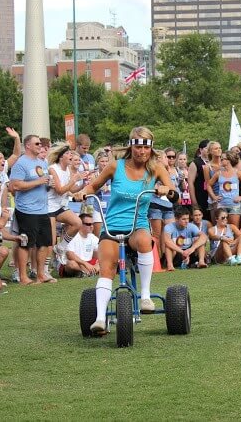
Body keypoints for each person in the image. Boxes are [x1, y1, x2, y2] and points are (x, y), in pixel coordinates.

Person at [75, 127, 178, 335]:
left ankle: (146, 296)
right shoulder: (116, 166)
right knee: (106, 266)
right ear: (131, 146)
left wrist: (167, 190)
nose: (142, 152)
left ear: (151, 148)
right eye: (138, 147)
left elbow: (174, 193)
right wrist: (83, 192)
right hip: (111, 225)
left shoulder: (156, 169)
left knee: (144, 240)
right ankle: (100, 319)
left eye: (145, 148)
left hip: (137, 225)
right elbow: (93, 186)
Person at [9, 134, 53, 285]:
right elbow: (14, 186)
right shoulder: (21, 163)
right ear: (27, 145)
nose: (40, 146)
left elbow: (43, 183)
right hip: (27, 210)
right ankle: (23, 277)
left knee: (44, 244)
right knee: (26, 244)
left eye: (40, 143)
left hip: (42, 210)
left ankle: (40, 274)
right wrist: (38, 181)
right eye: (37, 143)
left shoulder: (42, 163)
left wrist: (48, 184)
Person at [48, 143, 85, 274]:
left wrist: (83, 183)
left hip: (61, 206)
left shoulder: (68, 170)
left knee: (77, 223)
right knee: (51, 240)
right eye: (68, 154)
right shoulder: (53, 168)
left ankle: (61, 247)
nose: (71, 155)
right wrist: (74, 179)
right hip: (49, 207)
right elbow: (59, 190)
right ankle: (45, 268)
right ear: (61, 157)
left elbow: (71, 189)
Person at [206, 150, 241, 227]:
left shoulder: (237, 172)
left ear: (228, 160)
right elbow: (208, 185)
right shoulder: (218, 173)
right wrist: (214, 197)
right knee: (221, 228)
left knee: (234, 228)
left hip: (234, 205)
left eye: (223, 159)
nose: (221, 160)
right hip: (221, 205)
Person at [57, 213, 99, 278]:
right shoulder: (72, 236)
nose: (92, 226)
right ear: (80, 225)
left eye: (92, 224)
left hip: (87, 263)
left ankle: (85, 272)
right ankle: (88, 272)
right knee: (71, 264)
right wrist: (85, 264)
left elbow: (99, 253)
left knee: (103, 261)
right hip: (75, 263)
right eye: (88, 224)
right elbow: (70, 255)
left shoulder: (93, 237)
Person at [188, 139, 210, 220]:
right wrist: (194, 201)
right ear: (201, 149)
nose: (209, 150)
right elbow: (190, 182)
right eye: (207, 148)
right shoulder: (195, 163)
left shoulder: (214, 161)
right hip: (200, 195)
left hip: (213, 195)